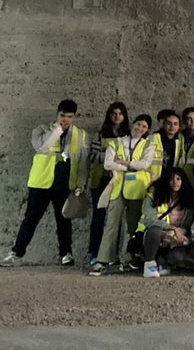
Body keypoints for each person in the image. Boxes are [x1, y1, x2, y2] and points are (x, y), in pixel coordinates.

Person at [3, 99, 89, 269]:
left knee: (64, 220)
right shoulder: (41, 130)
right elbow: (42, 148)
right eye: (62, 115)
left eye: (69, 117)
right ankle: (16, 253)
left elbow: (83, 162)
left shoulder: (81, 135)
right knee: (31, 218)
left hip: (65, 182)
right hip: (41, 182)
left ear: (75, 117)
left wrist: (81, 184)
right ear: (57, 114)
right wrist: (57, 130)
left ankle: (66, 253)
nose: (65, 120)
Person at [92, 113, 157, 273]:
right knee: (111, 224)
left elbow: (145, 164)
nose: (140, 128)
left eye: (144, 126)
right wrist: (129, 166)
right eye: (138, 124)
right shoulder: (118, 142)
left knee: (133, 226)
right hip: (118, 188)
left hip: (137, 189)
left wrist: (122, 162)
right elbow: (108, 164)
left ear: (147, 130)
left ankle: (128, 259)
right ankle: (103, 260)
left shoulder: (148, 145)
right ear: (133, 124)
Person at [86, 101, 129, 267]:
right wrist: (110, 158)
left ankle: (113, 254)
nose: (116, 116)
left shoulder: (128, 136)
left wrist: (108, 156)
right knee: (99, 217)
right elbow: (92, 157)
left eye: (120, 113)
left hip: (119, 180)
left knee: (116, 218)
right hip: (101, 180)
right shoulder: (100, 134)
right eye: (113, 113)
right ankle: (94, 252)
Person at [139, 167, 194, 277]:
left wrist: (175, 234)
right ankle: (149, 264)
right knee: (155, 232)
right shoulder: (153, 195)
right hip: (155, 234)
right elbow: (150, 220)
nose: (175, 182)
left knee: (177, 256)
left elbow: (188, 225)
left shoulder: (188, 199)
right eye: (171, 179)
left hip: (176, 238)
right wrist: (170, 230)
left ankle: (163, 262)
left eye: (178, 179)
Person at [149, 110, 186, 184]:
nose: (172, 127)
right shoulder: (152, 137)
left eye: (175, 124)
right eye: (169, 123)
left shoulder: (179, 141)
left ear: (179, 126)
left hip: (169, 180)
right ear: (164, 124)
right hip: (151, 179)